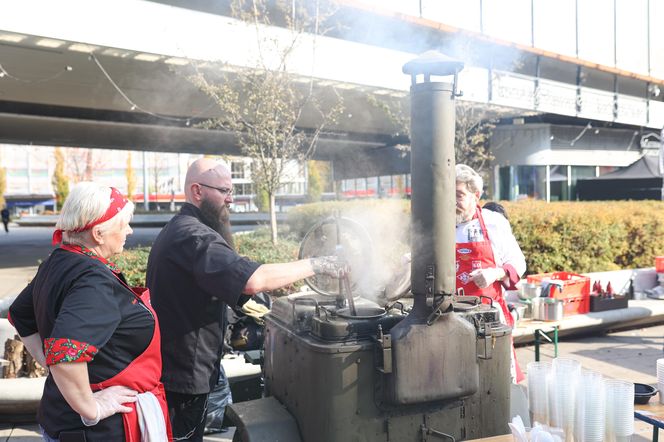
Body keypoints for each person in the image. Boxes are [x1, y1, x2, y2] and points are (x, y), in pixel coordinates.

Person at [146, 158, 346, 441]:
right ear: (197, 190)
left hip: (182, 369)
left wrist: (270, 291)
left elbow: (234, 272)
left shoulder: (182, 228)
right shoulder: (193, 236)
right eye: (224, 191)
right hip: (184, 377)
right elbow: (252, 280)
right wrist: (318, 264)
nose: (231, 200)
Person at [8, 182, 171, 441]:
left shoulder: (59, 260)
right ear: (98, 233)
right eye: (124, 223)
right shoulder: (93, 280)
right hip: (100, 431)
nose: (129, 230)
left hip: (61, 418)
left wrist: (49, 365)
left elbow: (20, 314)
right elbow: (64, 350)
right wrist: (91, 407)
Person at [455, 164, 526, 383]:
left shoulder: (494, 222)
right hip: (452, 316)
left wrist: (494, 273)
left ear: (476, 195)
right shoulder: (441, 225)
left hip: (489, 315)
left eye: (459, 195)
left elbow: (518, 263)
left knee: (497, 376)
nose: (452, 202)